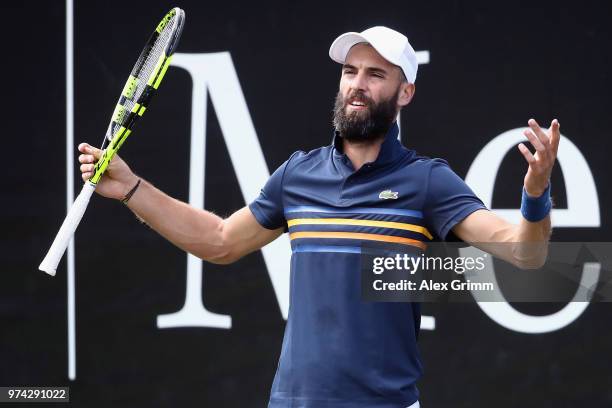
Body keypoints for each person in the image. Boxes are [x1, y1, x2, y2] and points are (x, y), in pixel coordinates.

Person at [78, 26, 559, 408]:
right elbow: (220, 241)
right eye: (350, 71)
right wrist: (131, 188)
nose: (357, 85)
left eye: (375, 74)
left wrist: (534, 194)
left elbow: (525, 254)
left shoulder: (428, 181)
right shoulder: (297, 174)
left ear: (405, 92)